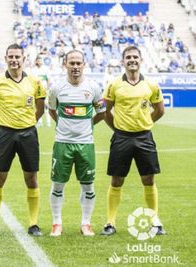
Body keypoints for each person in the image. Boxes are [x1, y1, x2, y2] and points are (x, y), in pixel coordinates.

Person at [101, 46, 166, 236]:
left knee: (148, 178)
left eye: (135, 57)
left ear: (141, 60)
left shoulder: (151, 85)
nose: (132, 60)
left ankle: (155, 221)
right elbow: (105, 112)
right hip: (121, 137)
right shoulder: (114, 85)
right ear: (123, 61)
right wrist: (118, 128)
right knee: (117, 179)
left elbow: (160, 110)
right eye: (128, 57)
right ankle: (110, 223)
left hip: (144, 137)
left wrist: (145, 123)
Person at [0, 43, 46, 237]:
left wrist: (27, 123)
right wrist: (6, 122)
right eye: (10, 57)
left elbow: (40, 108)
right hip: (5, 134)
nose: (14, 60)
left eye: (17, 57)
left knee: (31, 178)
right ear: (6, 59)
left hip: (28, 134)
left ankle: (33, 223)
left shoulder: (35, 82)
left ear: (24, 59)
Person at [47, 50, 106, 237]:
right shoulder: (57, 88)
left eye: (78, 63)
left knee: (88, 185)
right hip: (62, 143)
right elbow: (52, 111)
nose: (75, 67)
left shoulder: (94, 87)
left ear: (84, 65)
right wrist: (65, 126)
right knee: (57, 185)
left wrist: (87, 125)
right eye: (71, 63)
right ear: (65, 65)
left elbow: (102, 112)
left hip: (86, 144)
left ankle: (86, 223)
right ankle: (56, 222)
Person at [31, 54, 52, 127]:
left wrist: (48, 88)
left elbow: (48, 79)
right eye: (38, 61)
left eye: (40, 61)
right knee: (37, 106)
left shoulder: (45, 69)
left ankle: (48, 122)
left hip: (44, 89)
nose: (39, 62)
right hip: (36, 90)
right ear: (36, 61)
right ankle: (39, 122)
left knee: (46, 106)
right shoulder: (33, 70)